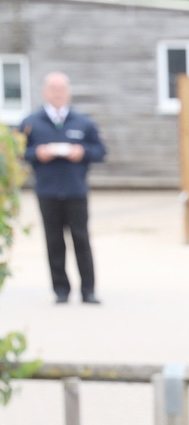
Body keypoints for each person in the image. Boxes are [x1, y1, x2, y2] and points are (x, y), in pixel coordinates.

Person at [20, 72, 106, 305]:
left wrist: (83, 152)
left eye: (61, 89)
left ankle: (88, 290)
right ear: (44, 92)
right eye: (53, 89)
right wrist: (36, 154)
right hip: (47, 191)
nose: (57, 93)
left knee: (81, 238)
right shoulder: (31, 122)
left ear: (68, 92)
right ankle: (61, 290)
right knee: (53, 240)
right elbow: (19, 151)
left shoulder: (83, 122)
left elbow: (100, 151)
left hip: (75, 190)